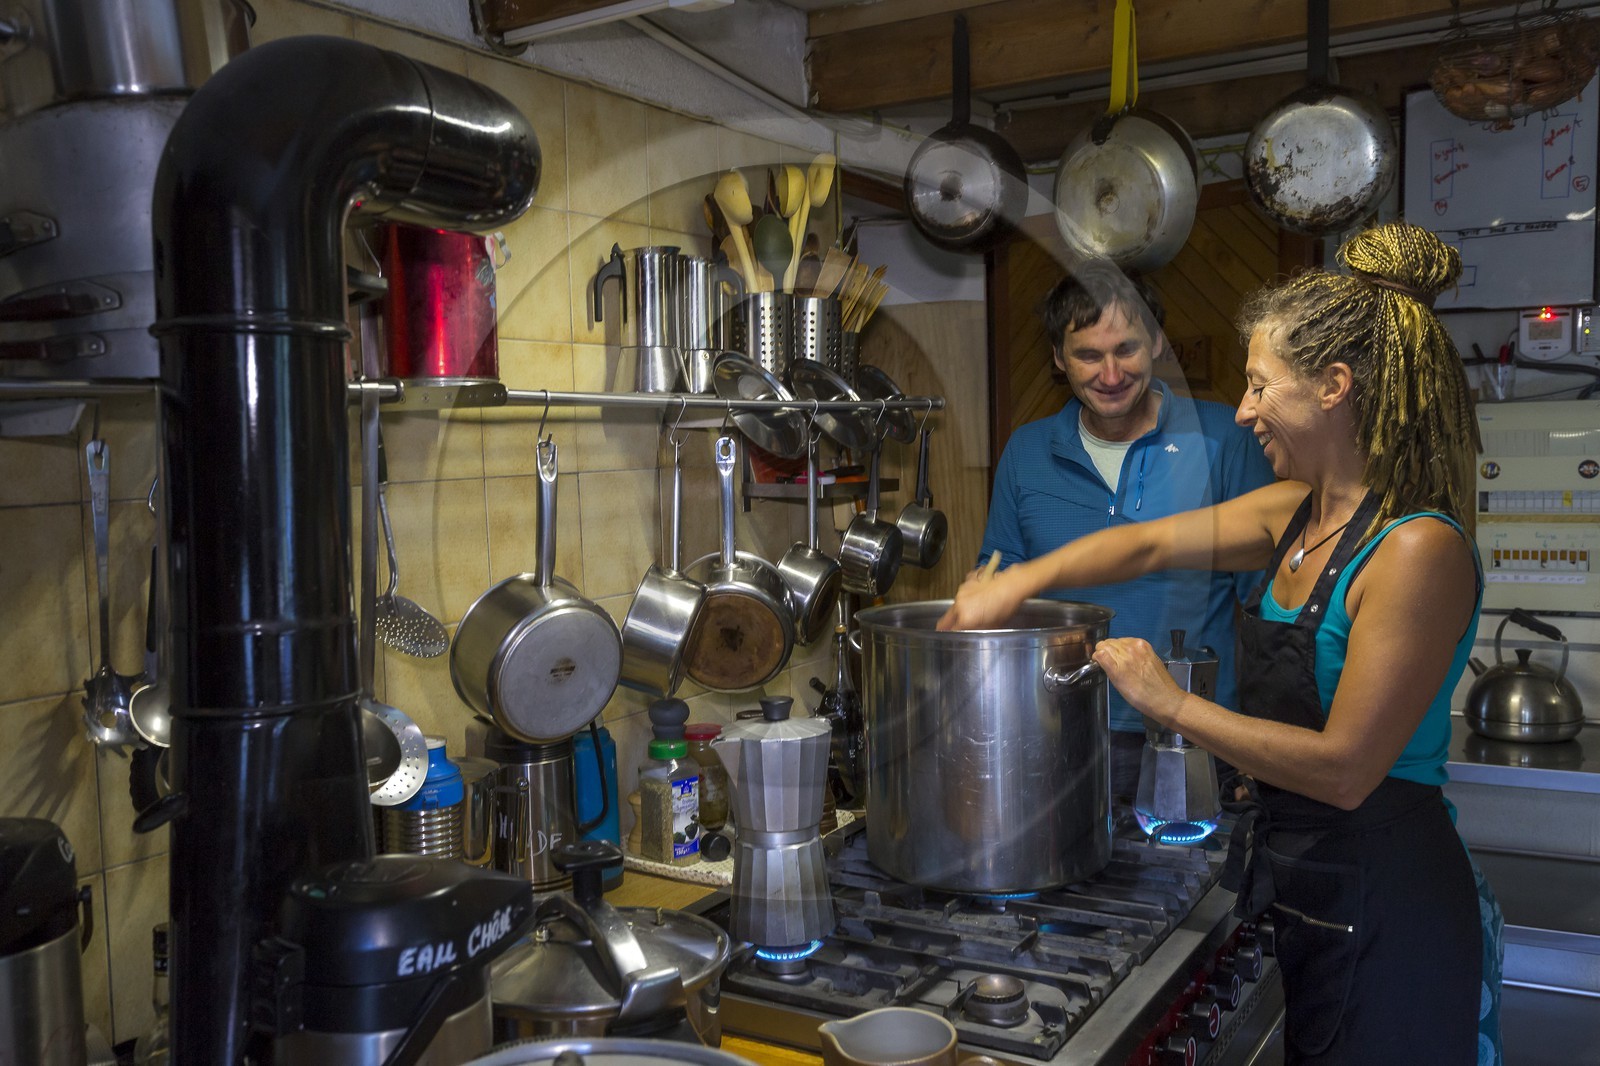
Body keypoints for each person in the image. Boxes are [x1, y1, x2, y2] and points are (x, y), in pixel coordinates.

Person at [941, 222, 1503, 1064]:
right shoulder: (1294, 513)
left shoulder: (1417, 548)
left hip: (1391, 901)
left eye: (1260, 386)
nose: (1241, 411)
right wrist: (1016, 584)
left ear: (1333, 387)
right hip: (1308, 880)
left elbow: (1346, 769)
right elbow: (1146, 545)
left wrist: (1170, 703)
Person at [977, 260, 1275, 797]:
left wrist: (1262, 738)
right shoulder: (1026, 451)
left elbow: (1269, 605)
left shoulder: (1224, 440)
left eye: (1126, 350)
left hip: (1196, 730)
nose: (1111, 375)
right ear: (1057, 357)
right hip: (1056, 728)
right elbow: (1000, 578)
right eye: (1089, 355)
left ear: (1157, 341)